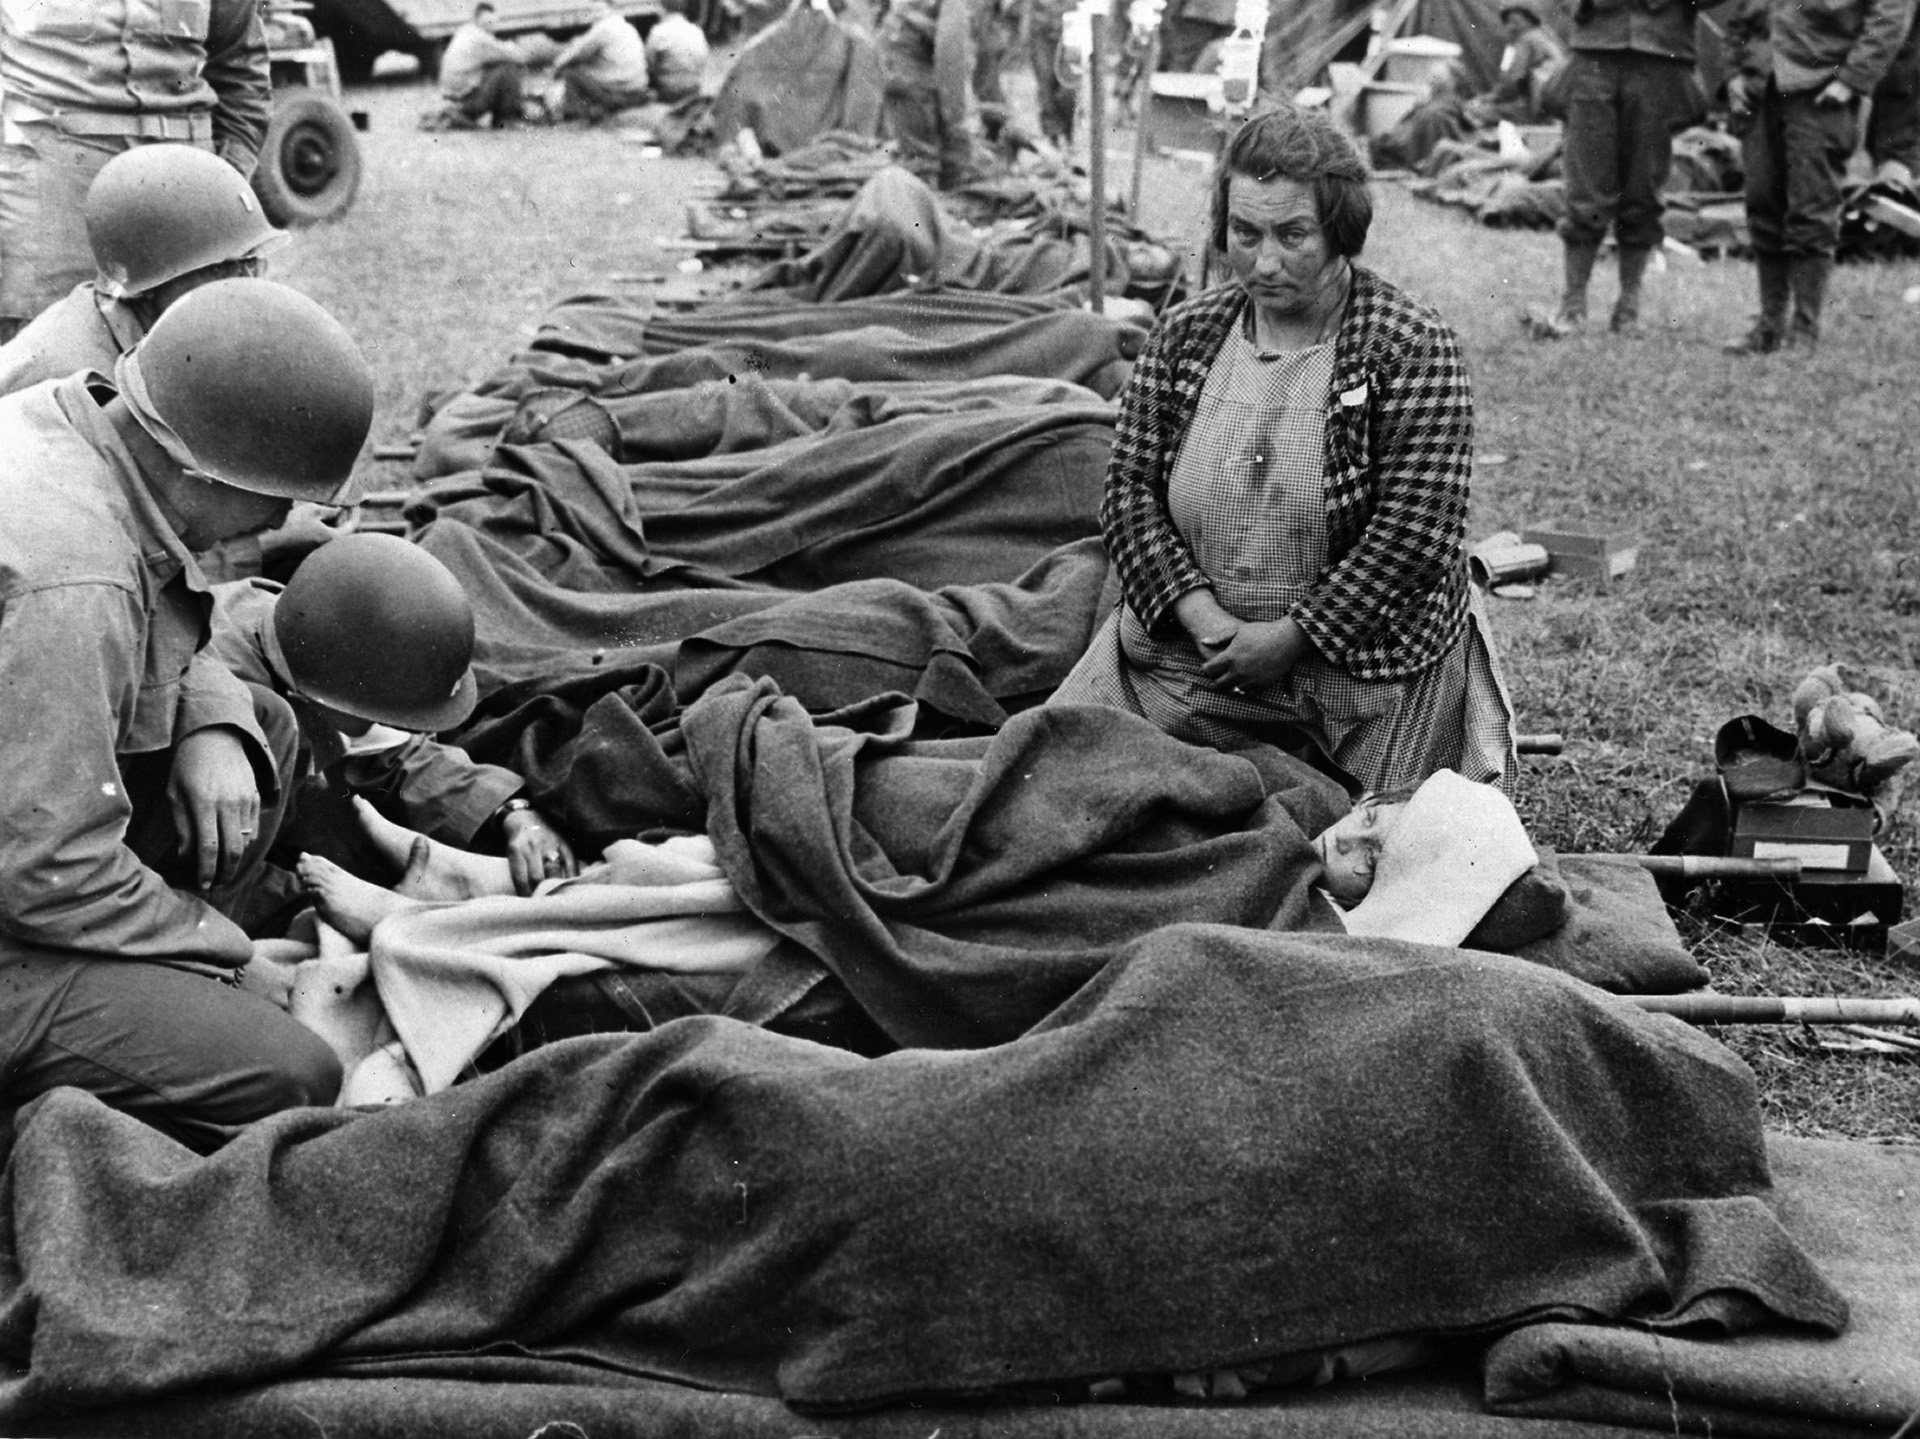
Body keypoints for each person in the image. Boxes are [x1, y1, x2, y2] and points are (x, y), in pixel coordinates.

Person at [0, 276, 375, 1151]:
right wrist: (224, 952)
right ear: (199, 464)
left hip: (24, 840)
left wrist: (208, 717)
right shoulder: (72, 580)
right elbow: (44, 869)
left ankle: (156, 989)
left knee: (261, 733)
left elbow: (165, 582)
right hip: (22, 893)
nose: (285, 517)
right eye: (274, 492)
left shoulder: (73, 422)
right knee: (293, 1074)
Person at [1048, 105, 1517, 795]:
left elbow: (1415, 535)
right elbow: (1127, 494)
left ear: (1340, 232)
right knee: (1055, 790)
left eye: (1293, 234)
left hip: (1359, 683)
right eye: (1244, 232)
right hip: (1192, 665)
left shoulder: (1411, 347)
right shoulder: (1185, 335)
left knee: (1364, 860)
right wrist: (1202, 617)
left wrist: (1291, 638)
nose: (1264, 261)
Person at [208, 534, 580, 903]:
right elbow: (207, 882)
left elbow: (395, 754)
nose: (399, 725)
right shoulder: (217, 715)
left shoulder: (304, 637)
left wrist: (513, 813)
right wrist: (375, 902)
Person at [0, 0, 270, 341]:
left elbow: (242, 72)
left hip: (187, 188)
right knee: (49, 357)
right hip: (51, 189)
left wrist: (225, 182)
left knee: (199, 352)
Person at [0, 143, 287, 397]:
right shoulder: (75, 381)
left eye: (251, 262)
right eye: (222, 269)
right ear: (145, 288)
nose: (247, 284)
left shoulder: (171, 338)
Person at [1722, 0, 1914, 351]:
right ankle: (1769, 326)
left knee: (1812, 206)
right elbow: (1738, 17)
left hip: (1820, 87)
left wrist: (1852, 79)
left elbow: (1891, 13)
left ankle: (1804, 330)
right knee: (1763, 204)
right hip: (1761, 85)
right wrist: (1733, 72)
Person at [1526, 0, 1705, 337]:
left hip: (1661, 58)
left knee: (1644, 188)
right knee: (1586, 187)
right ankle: (1573, 304)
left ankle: (1628, 308)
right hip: (1595, 54)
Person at [878, 0, 988, 188]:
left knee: (936, 151)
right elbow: (951, 58)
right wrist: (955, 116)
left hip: (901, 56)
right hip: (907, 65)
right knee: (921, 158)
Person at [552, 0, 653, 122]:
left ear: (608, 7)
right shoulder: (626, 25)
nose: (594, 13)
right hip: (638, 87)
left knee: (571, 74)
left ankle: (576, 116)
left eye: (596, 9)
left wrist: (556, 66)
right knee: (591, 71)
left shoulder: (603, 28)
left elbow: (573, 55)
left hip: (622, 90)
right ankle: (598, 108)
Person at [438, 1, 532, 129]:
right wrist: (513, 46)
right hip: (466, 102)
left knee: (496, 67)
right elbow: (520, 56)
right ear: (480, 21)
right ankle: (507, 118)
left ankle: (501, 117)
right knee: (509, 68)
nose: (492, 27)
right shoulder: (480, 39)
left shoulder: (464, 31)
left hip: (453, 98)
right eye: (489, 23)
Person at [1482, 2, 1570, 123]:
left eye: (1515, 22)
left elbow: (1514, 78)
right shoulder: (1546, 35)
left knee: (1476, 110)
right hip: (1559, 104)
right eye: (1508, 22)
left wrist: (1495, 97)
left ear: (1529, 20)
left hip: (1540, 108)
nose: (1510, 27)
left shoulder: (1527, 39)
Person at [645, 0, 712, 103]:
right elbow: (703, 59)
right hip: (694, 89)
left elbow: (649, 65)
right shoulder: (696, 30)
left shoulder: (658, 32)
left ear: (661, 8)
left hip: (669, 92)